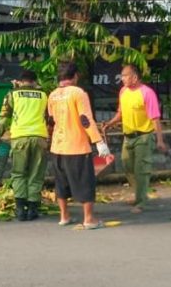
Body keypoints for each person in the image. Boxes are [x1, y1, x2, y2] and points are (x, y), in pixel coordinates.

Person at [47, 62, 110, 230]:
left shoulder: (52, 95)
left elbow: (51, 120)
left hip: (57, 146)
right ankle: (89, 219)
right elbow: (85, 119)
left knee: (61, 183)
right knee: (85, 182)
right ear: (75, 76)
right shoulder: (78, 93)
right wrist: (99, 142)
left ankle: (64, 216)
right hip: (77, 146)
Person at [102, 64, 169, 214]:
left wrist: (159, 140)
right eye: (122, 76)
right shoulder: (123, 91)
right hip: (128, 136)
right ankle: (139, 193)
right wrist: (110, 124)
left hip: (144, 136)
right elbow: (121, 113)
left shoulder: (147, 93)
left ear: (135, 77)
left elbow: (155, 119)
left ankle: (141, 201)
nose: (123, 79)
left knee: (141, 169)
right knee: (127, 165)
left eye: (125, 76)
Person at [0, 70, 49, 221]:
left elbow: (4, 118)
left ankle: (20, 209)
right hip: (40, 138)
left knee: (19, 173)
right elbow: (48, 115)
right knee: (36, 174)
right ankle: (32, 209)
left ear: (21, 81)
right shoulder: (43, 95)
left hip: (19, 138)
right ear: (35, 81)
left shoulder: (13, 94)